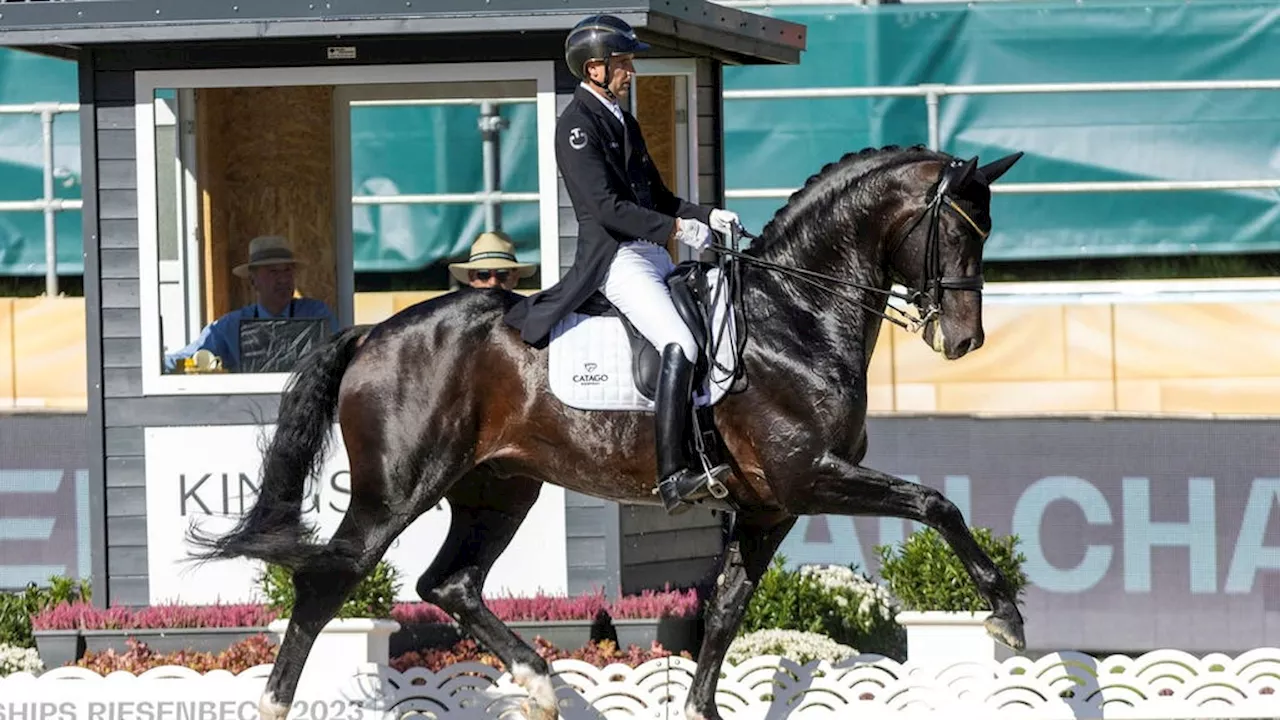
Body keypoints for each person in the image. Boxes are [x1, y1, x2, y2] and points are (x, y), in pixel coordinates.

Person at [503, 14, 743, 515]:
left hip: (650, 253)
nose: (630, 71)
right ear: (594, 68)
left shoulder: (621, 119)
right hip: (614, 258)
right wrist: (677, 230)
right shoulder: (575, 126)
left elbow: (656, 195)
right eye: (623, 62)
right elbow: (607, 208)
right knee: (680, 340)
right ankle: (674, 472)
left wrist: (706, 214)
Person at [163, 235, 338, 373]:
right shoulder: (230, 326)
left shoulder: (317, 314)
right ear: (253, 280)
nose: (283, 279)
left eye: (288, 271)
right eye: (273, 272)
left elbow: (340, 354)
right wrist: (151, 363)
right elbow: (192, 357)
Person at [448, 230, 538, 290]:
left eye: (502, 274)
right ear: (471, 277)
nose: (493, 282)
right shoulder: (457, 316)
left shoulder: (529, 315)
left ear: (515, 278)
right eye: (484, 275)